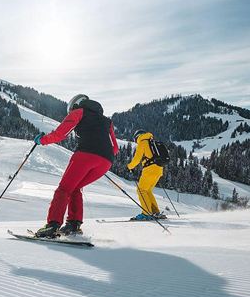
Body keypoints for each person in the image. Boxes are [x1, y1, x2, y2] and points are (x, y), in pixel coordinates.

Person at [34, 94, 119, 237]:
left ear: (75, 105)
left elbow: (61, 134)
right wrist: (100, 156)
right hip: (106, 161)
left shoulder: (79, 112)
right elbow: (115, 148)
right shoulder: (107, 121)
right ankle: (73, 225)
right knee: (75, 188)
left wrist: (42, 140)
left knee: (64, 189)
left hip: (86, 155)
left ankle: (52, 226)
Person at [127, 130, 166, 220]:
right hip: (159, 169)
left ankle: (146, 213)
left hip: (150, 170)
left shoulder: (143, 142)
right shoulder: (152, 142)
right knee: (147, 190)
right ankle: (155, 212)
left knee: (141, 190)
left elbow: (137, 159)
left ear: (137, 137)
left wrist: (129, 166)